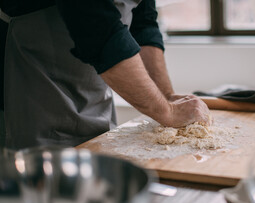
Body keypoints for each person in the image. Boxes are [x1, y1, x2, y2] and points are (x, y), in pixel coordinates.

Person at [0, 0, 211, 150]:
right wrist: (167, 112)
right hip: (33, 85)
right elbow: (97, 26)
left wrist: (167, 96)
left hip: (94, 90)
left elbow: (143, 25)